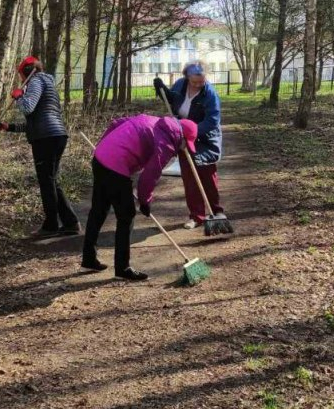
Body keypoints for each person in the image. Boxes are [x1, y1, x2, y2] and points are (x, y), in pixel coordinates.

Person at [82, 113, 198, 282]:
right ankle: (123, 267)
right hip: (115, 165)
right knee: (127, 215)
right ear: (181, 137)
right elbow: (150, 175)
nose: (183, 150)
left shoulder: (152, 120)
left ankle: (88, 258)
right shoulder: (166, 144)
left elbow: (116, 123)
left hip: (101, 157)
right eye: (185, 145)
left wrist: (103, 147)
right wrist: (145, 201)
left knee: (99, 209)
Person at [0, 56, 80, 239]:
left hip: (46, 139)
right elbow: (36, 121)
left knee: (47, 182)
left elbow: (28, 108)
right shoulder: (48, 86)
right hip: (55, 135)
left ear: (27, 72)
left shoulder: (37, 81)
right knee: (52, 181)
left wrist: (18, 97)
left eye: (21, 75)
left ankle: (51, 225)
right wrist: (8, 127)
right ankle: (70, 223)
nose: (21, 80)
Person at [154, 62, 231, 230]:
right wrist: (163, 92)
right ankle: (196, 216)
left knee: (207, 176)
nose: (198, 85)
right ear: (187, 77)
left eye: (201, 81)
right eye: (194, 81)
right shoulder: (180, 85)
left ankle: (217, 211)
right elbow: (173, 101)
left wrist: (191, 134)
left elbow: (212, 122)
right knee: (190, 178)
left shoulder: (210, 94)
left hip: (205, 138)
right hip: (183, 136)